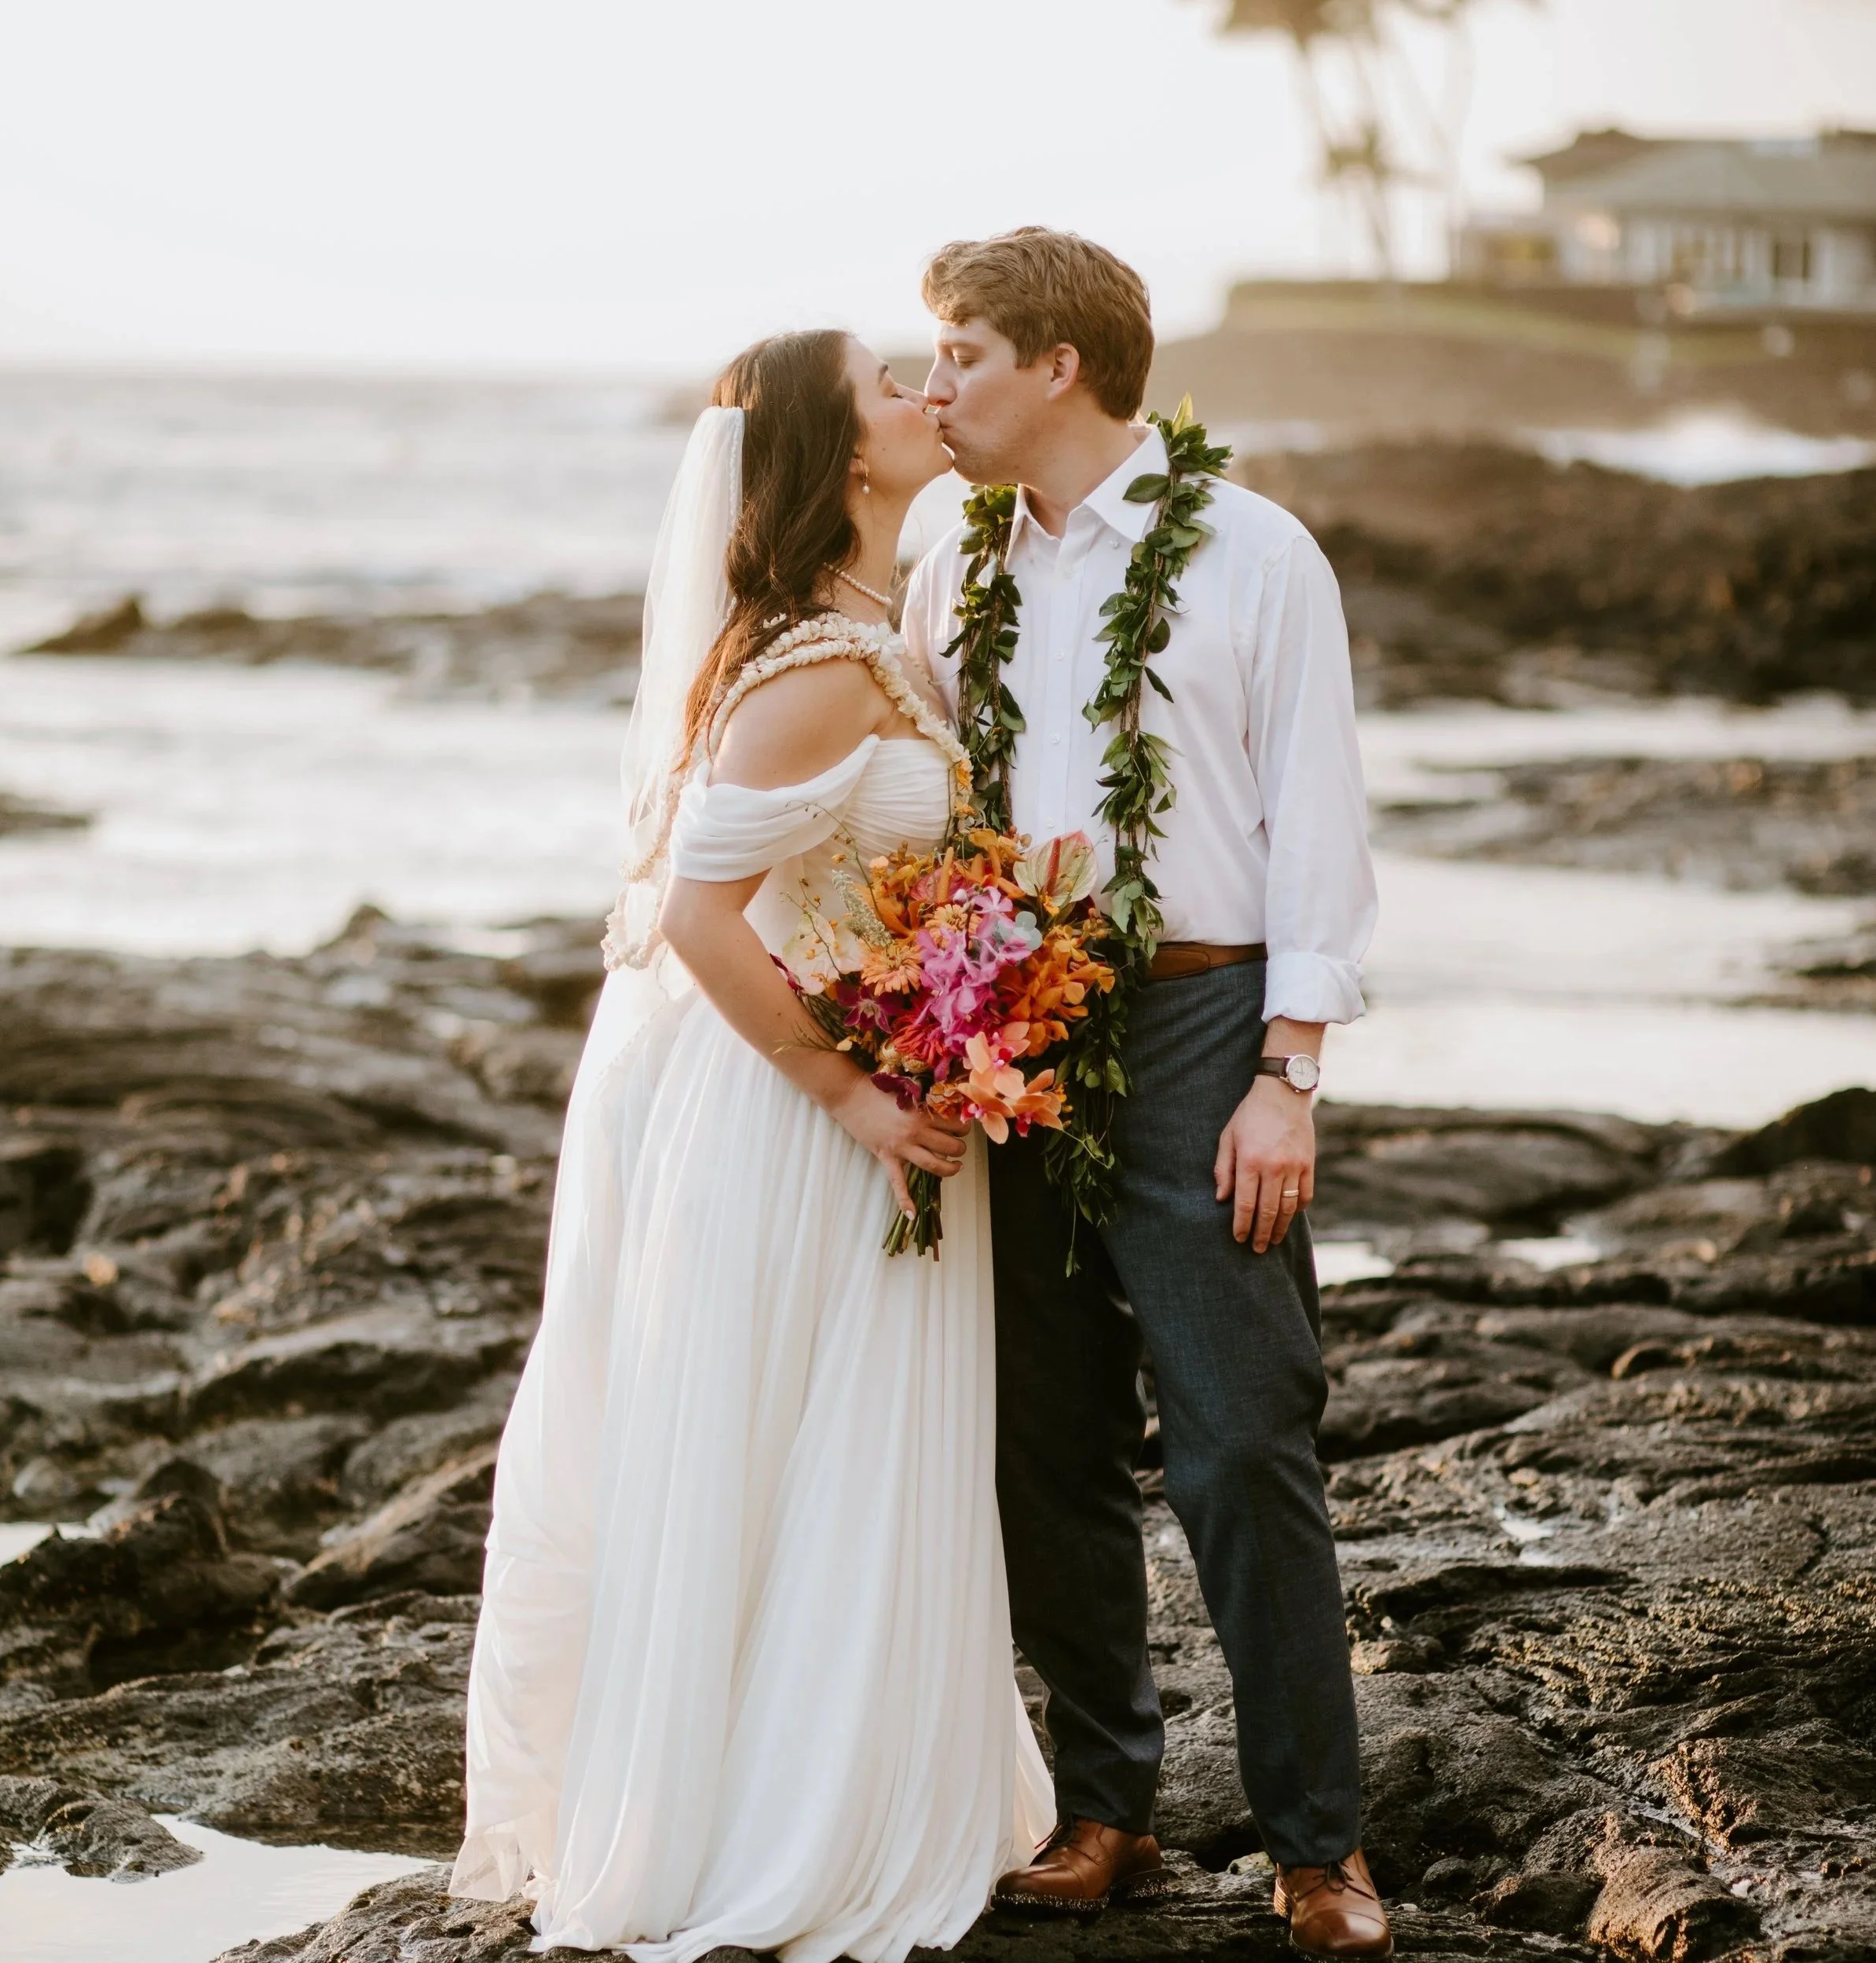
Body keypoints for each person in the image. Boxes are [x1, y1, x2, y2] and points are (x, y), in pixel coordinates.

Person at [453, 329, 1055, 1961]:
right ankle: (772, 1825)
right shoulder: (806, 668)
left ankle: (848, 1784)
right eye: (884, 383)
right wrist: (854, 1089)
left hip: (878, 1090)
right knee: (792, 1454)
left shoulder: (881, 630)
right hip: (800, 1122)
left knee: (839, 1456)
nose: (925, 390)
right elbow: (695, 918)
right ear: (842, 457)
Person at [902, 228, 1390, 1962]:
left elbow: (1318, 819)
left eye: (956, 350)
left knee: (1241, 1441)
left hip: (1202, 1022)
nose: (929, 384)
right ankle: (1103, 1804)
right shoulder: (940, 555)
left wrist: (1288, 1072)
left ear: (1055, 363)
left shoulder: (1251, 554)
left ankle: (1313, 1845)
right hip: (1007, 1026)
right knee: (1040, 1441)